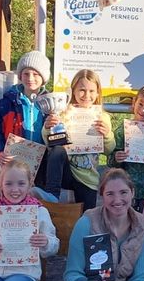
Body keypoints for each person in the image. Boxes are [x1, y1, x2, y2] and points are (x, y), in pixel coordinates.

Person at [44, 69, 115, 210]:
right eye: (82, 90)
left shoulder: (102, 117)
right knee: (57, 150)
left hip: (87, 177)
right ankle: (51, 195)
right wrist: (48, 128)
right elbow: (49, 143)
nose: (87, 95)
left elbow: (109, 150)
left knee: (87, 217)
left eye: (91, 91)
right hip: (65, 170)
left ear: (98, 93)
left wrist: (107, 135)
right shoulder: (63, 113)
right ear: (73, 91)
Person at [0, 50, 51, 185]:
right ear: (20, 76)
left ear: (44, 77)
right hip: (14, 162)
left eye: (36, 74)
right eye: (26, 74)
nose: (30, 78)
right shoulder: (7, 102)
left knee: (38, 194)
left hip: (41, 163)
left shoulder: (50, 103)